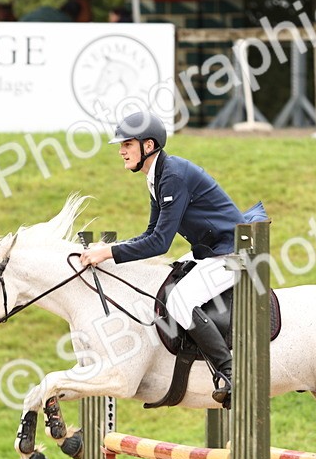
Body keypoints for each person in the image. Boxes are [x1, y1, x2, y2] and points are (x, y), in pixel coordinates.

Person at [79, 111, 265, 405]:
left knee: (180, 301)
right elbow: (151, 232)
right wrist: (111, 251)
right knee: (166, 282)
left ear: (148, 145)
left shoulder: (172, 177)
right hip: (211, 250)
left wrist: (108, 252)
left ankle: (230, 373)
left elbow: (159, 243)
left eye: (127, 144)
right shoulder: (158, 176)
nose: (121, 151)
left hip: (233, 253)